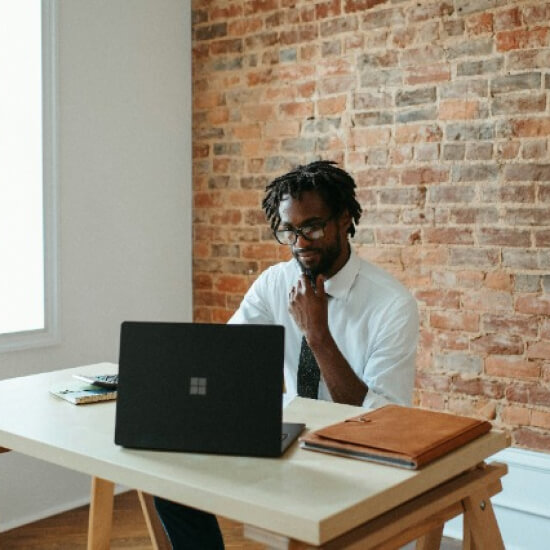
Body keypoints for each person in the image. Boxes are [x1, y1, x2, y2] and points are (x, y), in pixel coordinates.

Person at [154, 160, 419, 549]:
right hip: (289, 436)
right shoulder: (275, 284)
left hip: (354, 453)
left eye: (312, 227)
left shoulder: (391, 304)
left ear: (345, 220)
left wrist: (317, 335)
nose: (300, 243)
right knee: (170, 481)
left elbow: (381, 420)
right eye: (288, 230)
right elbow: (225, 357)